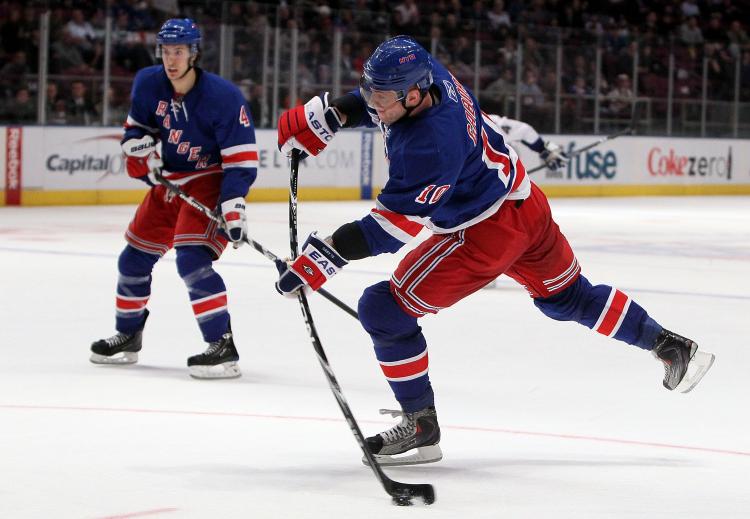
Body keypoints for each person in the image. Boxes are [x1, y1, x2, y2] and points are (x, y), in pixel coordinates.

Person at [273, 36, 716, 466]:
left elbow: (391, 229)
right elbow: (374, 98)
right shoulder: (431, 76)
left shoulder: (430, 145)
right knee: (567, 297)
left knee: (383, 308)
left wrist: (325, 257)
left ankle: (420, 425)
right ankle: (669, 344)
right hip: (526, 204)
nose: (374, 104)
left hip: (482, 234)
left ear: (414, 94)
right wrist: (334, 115)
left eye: (383, 96)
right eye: (371, 90)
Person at [90, 18, 258, 379]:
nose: (172, 59)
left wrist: (233, 204)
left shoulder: (223, 97)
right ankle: (128, 334)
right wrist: (138, 154)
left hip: (210, 180)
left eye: (179, 51)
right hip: (170, 182)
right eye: (166, 51)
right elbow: (138, 130)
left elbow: (241, 160)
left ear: (193, 53)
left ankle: (222, 344)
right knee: (133, 259)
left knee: (192, 260)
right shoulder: (148, 83)